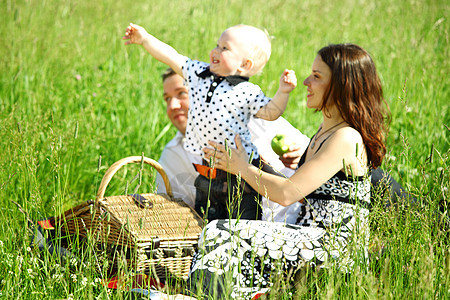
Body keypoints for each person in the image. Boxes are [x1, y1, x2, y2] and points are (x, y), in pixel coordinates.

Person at [183, 43, 390, 298]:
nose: (305, 82)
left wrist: (242, 167)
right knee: (217, 231)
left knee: (221, 232)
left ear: (341, 85)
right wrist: (257, 163)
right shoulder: (324, 133)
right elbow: (303, 194)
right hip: (308, 238)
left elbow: (287, 194)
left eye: (316, 76)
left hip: (335, 249)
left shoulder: (346, 137)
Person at [124, 23, 297, 220]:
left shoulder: (248, 93)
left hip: (241, 176)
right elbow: (172, 57)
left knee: (244, 224)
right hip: (209, 172)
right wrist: (145, 39)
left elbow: (271, 112)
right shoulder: (200, 74)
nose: (215, 50)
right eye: (217, 45)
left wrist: (283, 92)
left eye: (225, 48)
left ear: (245, 65)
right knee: (209, 222)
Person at [155, 68, 310, 223]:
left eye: (182, 93)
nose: (173, 105)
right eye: (167, 99)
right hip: (239, 233)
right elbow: (172, 215)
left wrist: (301, 157)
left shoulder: (254, 116)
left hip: (295, 216)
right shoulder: (173, 154)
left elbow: (316, 155)